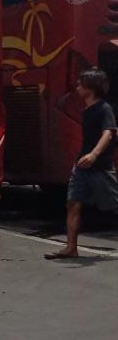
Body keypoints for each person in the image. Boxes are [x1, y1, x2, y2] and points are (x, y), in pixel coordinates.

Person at [48, 68, 118, 260]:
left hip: (100, 167)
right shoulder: (86, 109)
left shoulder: (104, 108)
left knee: (114, 204)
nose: (77, 87)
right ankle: (71, 248)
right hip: (81, 166)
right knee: (73, 203)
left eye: (81, 84)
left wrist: (94, 155)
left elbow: (109, 133)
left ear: (91, 88)